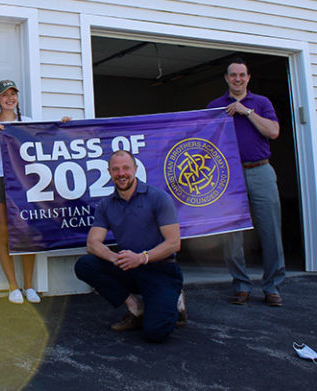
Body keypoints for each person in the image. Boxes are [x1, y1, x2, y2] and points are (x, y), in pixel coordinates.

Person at [74, 150, 186, 343]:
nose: (121, 173)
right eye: (115, 169)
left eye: (126, 168)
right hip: (131, 268)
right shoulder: (106, 204)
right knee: (85, 265)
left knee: (155, 333)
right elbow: (93, 244)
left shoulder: (157, 197)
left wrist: (141, 257)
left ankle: (176, 301)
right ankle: (136, 308)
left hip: (161, 270)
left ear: (135, 169)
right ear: (109, 172)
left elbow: (174, 243)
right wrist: (116, 259)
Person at [207, 58, 285, 307]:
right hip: (229, 175)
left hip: (260, 171)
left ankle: (272, 286)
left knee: (270, 230)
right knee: (232, 234)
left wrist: (246, 111)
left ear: (248, 78)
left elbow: (273, 132)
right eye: (233, 75)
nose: (237, 79)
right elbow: (206, 139)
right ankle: (241, 285)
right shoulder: (216, 106)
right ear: (226, 78)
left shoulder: (261, 103)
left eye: (242, 75)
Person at [0, 79, 37, 304]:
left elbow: (49, 138)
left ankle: (29, 286)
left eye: (13, 94)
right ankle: (12, 286)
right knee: (4, 232)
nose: (9, 98)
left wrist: (63, 124)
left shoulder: (29, 122)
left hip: (24, 182)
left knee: (26, 233)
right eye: (5, 94)